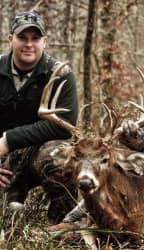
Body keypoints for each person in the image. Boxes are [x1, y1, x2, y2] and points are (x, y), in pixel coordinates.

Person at [0, 11, 78, 223]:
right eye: (22, 38)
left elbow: (66, 127)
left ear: (44, 42)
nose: (29, 44)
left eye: (35, 39)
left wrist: (8, 140)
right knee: (9, 215)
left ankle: (63, 228)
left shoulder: (60, 74)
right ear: (10, 39)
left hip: (39, 156)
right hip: (2, 161)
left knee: (62, 159)